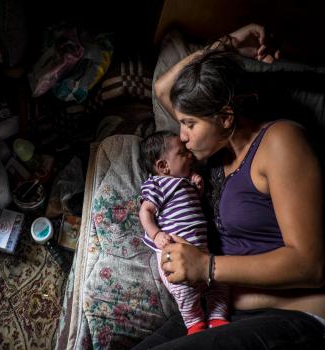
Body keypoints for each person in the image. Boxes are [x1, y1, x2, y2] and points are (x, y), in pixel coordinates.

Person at [133, 23, 325, 349]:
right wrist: (229, 44)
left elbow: (312, 266)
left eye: (189, 124)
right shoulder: (211, 153)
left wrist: (205, 266)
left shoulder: (279, 143)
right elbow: (165, 88)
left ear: (224, 117)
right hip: (218, 312)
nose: (181, 136)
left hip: (293, 317)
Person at [139, 131, 229, 335]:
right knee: (185, 290)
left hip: (202, 251)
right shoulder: (158, 184)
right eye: (182, 153)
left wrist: (197, 189)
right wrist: (155, 234)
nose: (190, 156)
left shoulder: (185, 181)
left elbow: (192, 205)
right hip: (173, 250)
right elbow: (145, 212)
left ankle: (217, 317)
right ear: (163, 166)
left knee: (221, 284)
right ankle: (194, 323)